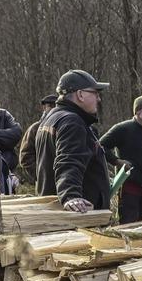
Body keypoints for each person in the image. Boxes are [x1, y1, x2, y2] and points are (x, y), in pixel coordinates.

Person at [35, 70, 111, 212]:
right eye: (95, 93)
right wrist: (71, 196)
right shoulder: (72, 122)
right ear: (80, 95)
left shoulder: (52, 118)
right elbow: (68, 161)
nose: (99, 99)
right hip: (78, 216)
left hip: (52, 209)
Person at [99, 95, 142, 223]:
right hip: (130, 186)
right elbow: (100, 146)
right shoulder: (122, 129)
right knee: (128, 223)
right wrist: (117, 161)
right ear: (137, 111)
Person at [19, 94, 57, 184]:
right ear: (44, 108)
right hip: (44, 184)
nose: (53, 109)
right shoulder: (35, 128)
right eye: (50, 106)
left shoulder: (65, 126)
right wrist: (41, 175)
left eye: (56, 106)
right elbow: (25, 157)